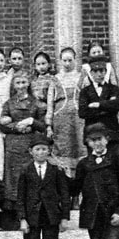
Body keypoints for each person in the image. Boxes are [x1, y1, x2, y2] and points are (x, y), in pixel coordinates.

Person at [16, 133, 71, 239]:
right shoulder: (25, 171)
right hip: (32, 220)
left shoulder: (56, 171)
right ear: (31, 152)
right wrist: (22, 219)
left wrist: (64, 218)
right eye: (37, 149)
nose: (41, 152)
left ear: (49, 151)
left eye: (44, 149)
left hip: (51, 218)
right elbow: (20, 197)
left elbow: (64, 195)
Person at [0, 70, 47, 215]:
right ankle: (13, 214)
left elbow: (43, 125)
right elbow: (2, 125)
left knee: (28, 176)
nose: (21, 86)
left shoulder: (35, 103)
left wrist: (32, 121)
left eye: (23, 82)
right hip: (13, 145)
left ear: (28, 84)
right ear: (13, 85)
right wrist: (18, 126)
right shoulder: (8, 103)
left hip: (29, 145)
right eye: (18, 83)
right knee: (12, 178)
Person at [50, 47, 84, 176]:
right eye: (64, 60)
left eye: (70, 60)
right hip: (61, 119)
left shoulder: (82, 76)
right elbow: (50, 103)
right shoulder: (55, 79)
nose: (67, 63)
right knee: (63, 148)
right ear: (60, 61)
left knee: (80, 147)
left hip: (79, 119)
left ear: (75, 60)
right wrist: (49, 124)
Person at [78, 56, 119, 154]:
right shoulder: (85, 92)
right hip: (93, 135)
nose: (99, 74)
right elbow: (82, 112)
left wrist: (98, 105)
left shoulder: (113, 89)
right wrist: (107, 107)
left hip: (112, 134)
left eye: (101, 71)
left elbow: (116, 106)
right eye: (95, 71)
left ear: (106, 71)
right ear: (91, 73)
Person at [30, 50, 65, 134]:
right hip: (35, 112)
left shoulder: (53, 79)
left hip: (47, 111)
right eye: (38, 64)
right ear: (35, 66)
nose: (41, 67)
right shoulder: (33, 81)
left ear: (49, 64)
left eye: (43, 63)